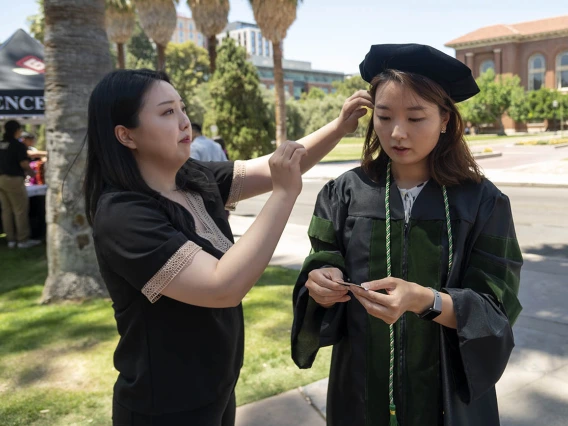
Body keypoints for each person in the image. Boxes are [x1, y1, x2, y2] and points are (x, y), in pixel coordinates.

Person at [84, 68, 370, 425]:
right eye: (167, 112)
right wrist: (284, 195)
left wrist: (340, 126)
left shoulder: (192, 178)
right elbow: (222, 287)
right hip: (164, 407)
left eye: (182, 108)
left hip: (216, 391)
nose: (185, 121)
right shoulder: (123, 215)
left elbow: (275, 166)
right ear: (126, 136)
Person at [291, 44, 522, 426]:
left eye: (416, 118)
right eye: (384, 116)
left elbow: (495, 308)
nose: (397, 133)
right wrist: (321, 280)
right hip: (360, 390)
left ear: (445, 118)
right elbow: (324, 254)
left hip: (448, 398)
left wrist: (424, 300)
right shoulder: (345, 193)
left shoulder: (482, 202)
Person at [0, 120, 41, 249]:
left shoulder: (1, 144)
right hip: (14, 179)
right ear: (17, 130)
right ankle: (23, 240)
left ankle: (11, 240)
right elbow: (24, 164)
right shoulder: (17, 145)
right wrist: (32, 173)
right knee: (20, 210)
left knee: (6, 211)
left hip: (1, 179)